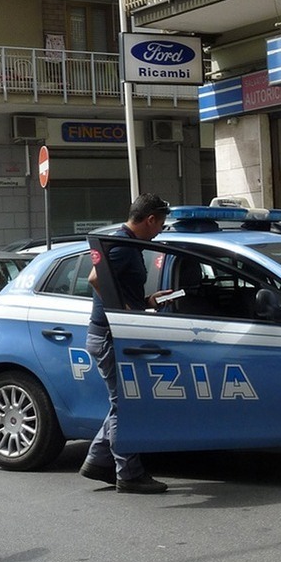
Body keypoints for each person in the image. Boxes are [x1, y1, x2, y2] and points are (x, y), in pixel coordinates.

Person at [80, 193, 175, 494]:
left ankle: (97, 460)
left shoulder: (124, 243)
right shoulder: (121, 244)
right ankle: (129, 473)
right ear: (150, 220)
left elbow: (119, 286)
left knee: (120, 403)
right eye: (160, 224)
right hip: (109, 335)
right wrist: (125, 312)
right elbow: (95, 279)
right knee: (125, 406)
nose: (160, 230)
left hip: (107, 333)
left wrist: (145, 302)